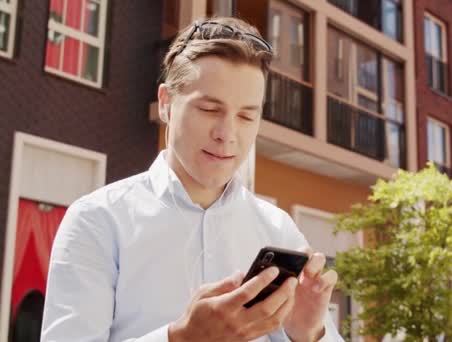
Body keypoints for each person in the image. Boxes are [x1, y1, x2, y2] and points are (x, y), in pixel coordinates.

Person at [41, 17, 343, 342]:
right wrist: (181, 338)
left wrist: (308, 333)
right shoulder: (97, 221)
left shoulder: (279, 229)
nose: (227, 135)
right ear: (167, 103)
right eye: (210, 109)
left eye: (245, 116)